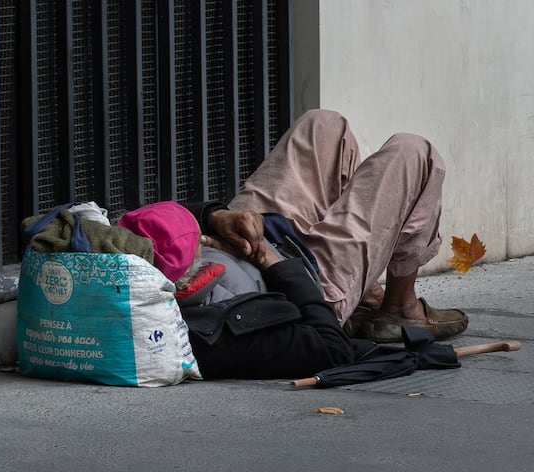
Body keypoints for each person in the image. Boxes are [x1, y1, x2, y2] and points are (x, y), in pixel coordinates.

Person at [117, 109, 468, 380]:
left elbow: (147, 226)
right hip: (305, 282)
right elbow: (331, 350)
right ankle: (400, 307)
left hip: (262, 237)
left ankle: (366, 292)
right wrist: (273, 262)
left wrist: (216, 217)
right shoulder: (209, 335)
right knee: (414, 152)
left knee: (324, 126)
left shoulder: (125, 267)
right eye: (198, 242)